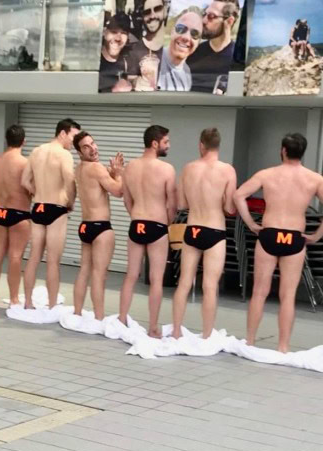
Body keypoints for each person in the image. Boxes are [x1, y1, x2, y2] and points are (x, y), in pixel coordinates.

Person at [234, 133, 323, 352]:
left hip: (269, 234)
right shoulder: (315, 179)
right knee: (288, 295)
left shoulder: (267, 174)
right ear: (303, 152)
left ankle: (251, 341)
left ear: (283, 150)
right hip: (294, 237)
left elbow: (238, 195)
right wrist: (317, 235)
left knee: (259, 292)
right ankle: (283, 347)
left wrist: (251, 224)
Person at [171, 128, 236, 339]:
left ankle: (176, 330)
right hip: (214, 230)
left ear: (201, 145)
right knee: (209, 286)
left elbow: (181, 204)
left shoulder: (188, 169)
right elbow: (229, 208)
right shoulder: (227, 171)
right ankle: (207, 335)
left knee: (184, 283)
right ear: (218, 145)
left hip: (192, 229)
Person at [117, 125, 176, 338]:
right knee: (156, 279)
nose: (168, 146)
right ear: (154, 143)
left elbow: (127, 200)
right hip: (157, 225)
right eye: (166, 142)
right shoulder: (167, 169)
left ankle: (122, 318)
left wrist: (136, 216)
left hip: (137, 223)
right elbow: (171, 204)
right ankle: (152, 327)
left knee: (131, 275)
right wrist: (166, 224)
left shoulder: (130, 167)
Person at [22, 119, 80, 309]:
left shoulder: (36, 151)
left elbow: (25, 181)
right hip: (56, 208)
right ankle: (52, 304)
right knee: (53, 261)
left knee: (33, 257)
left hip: (38, 206)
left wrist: (37, 192)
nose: (74, 141)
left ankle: (28, 303)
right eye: (73, 136)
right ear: (62, 134)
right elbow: (70, 180)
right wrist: (70, 202)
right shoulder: (64, 154)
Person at [71, 133, 125, 321]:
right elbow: (118, 191)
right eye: (86, 147)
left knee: (84, 269)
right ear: (79, 152)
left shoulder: (79, 169)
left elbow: (96, 187)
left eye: (93, 143)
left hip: (85, 226)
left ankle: (77, 312)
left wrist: (110, 175)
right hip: (101, 227)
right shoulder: (96, 167)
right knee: (99, 274)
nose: (92, 148)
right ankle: (99, 318)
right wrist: (118, 173)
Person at [0, 125, 31, 306]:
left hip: (0, 211)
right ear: (23, 141)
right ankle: (14, 298)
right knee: (15, 256)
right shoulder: (24, 163)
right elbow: (30, 189)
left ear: (7, 140)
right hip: (19, 213)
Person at [189, 0, 239, 93]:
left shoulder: (239, 60)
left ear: (229, 21)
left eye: (211, 16)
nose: (203, 21)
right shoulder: (190, 53)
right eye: (204, 14)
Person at [124, 0, 169, 90]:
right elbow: (130, 80)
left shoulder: (175, 46)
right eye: (147, 12)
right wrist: (135, 82)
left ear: (165, 11)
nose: (152, 15)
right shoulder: (135, 50)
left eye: (157, 9)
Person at [157, 9, 202, 92]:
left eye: (195, 34)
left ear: (198, 42)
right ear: (172, 32)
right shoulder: (152, 60)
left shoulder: (187, 74)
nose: (186, 37)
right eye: (181, 29)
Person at [99, 13, 133, 92]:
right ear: (104, 33)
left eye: (123, 33)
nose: (118, 38)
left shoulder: (129, 60)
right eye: (114, 32)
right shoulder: (94, 61)